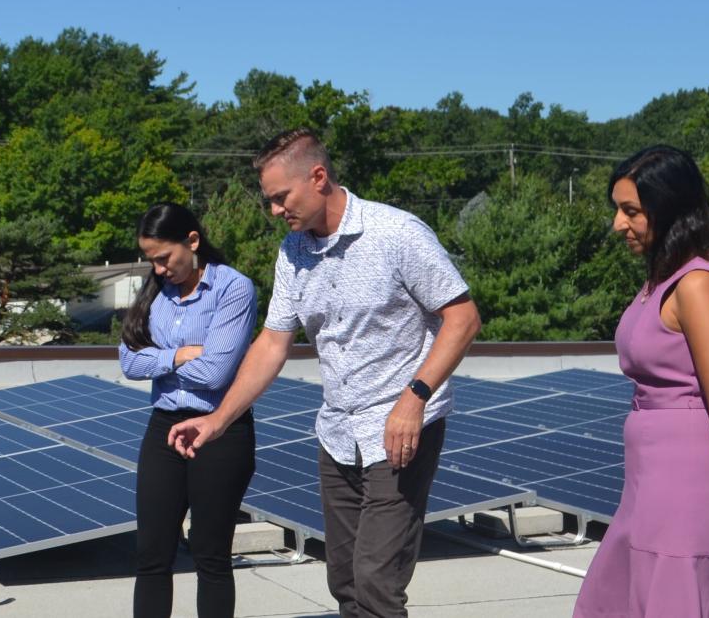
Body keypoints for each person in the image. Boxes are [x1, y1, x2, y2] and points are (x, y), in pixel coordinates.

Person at [167, 129, 482, 618]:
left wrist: (414, 397)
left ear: (318, 177)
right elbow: (272, 343)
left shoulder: (396, 233)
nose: (274, 211)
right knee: (345, 581)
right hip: (337, 434)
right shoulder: (293, 253)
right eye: (269, 201)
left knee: (378, 582)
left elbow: (463, 319)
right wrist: (217, 419)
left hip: (400, 430)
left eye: (280, 198)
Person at [573, 145, 709, 617]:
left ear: (669, 209)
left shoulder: (696, 284)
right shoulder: (666, 277)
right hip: (649, 478)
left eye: (631, 211)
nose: (618, 224)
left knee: (672, 595)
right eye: (618, 209)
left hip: (683, 477)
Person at [117, 202, 260, 618]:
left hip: (220, 432)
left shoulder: (233, 288)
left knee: (210, 555)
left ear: (192, 241)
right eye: (151, 260)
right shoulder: (153, 294)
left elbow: (216, 372)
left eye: (165, 258)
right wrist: (181, 355)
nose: (159, 269)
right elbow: (128, 362)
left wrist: (161, 360)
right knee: (151, 554)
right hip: (163, 428)